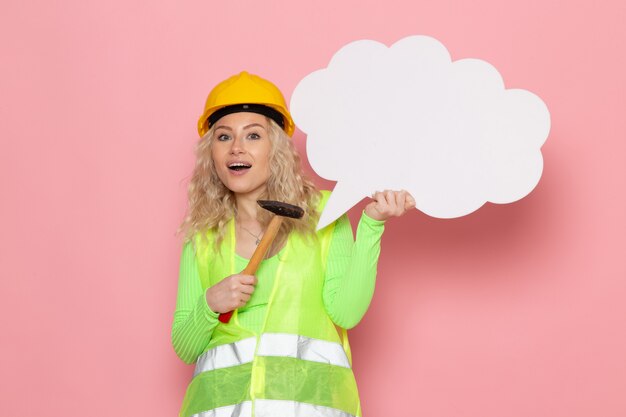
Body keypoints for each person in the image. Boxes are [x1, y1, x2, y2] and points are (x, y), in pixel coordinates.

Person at [172, 71, 415, 417]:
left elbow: (346, 311)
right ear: (211, 153)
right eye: (223, 137)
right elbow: (185, 346)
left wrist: (372, 225)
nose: (237, 147)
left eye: (253, 135)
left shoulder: (322, 214)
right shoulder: (203, 236)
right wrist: (210, 304)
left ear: (276, 147)